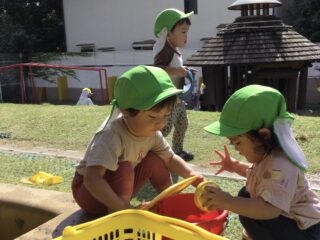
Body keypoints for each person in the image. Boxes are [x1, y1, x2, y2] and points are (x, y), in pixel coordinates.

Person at [71, 65, 203, 215]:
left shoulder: (152, 133)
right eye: (153, 116)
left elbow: (170, 159)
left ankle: (169, 201)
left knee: (155, 159)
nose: (161, 123)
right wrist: (123, 207)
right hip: (90, 194)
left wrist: (196, 178)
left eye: (166, 115)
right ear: (126, 111)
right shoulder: (111, 135)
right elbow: (92, 179)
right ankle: (122, 213)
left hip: (116, 189)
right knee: (125, 167)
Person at [201, 85, 320, 240]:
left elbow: (270, 209)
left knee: (248, 205)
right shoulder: (269, 155)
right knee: (246, 194)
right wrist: (234, 166)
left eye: (237, 142)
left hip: (305, 231)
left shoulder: (282, 165)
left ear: (263, 135)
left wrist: (228, 201)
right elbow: (260, 176)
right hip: (289, 221)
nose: (236, 148)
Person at [153, 8, 194, 161]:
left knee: (182, 123)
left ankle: (177, 150)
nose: (186, 36)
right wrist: (177, 71)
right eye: (183, 32)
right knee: (165, 127)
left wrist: (185, 71)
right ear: (168, 33)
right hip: (168, 99)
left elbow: (176, 69)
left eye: (187, 32)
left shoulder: (174, 50)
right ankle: (153, 150)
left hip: (177, 96)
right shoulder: (165, 50)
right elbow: (158, 69)